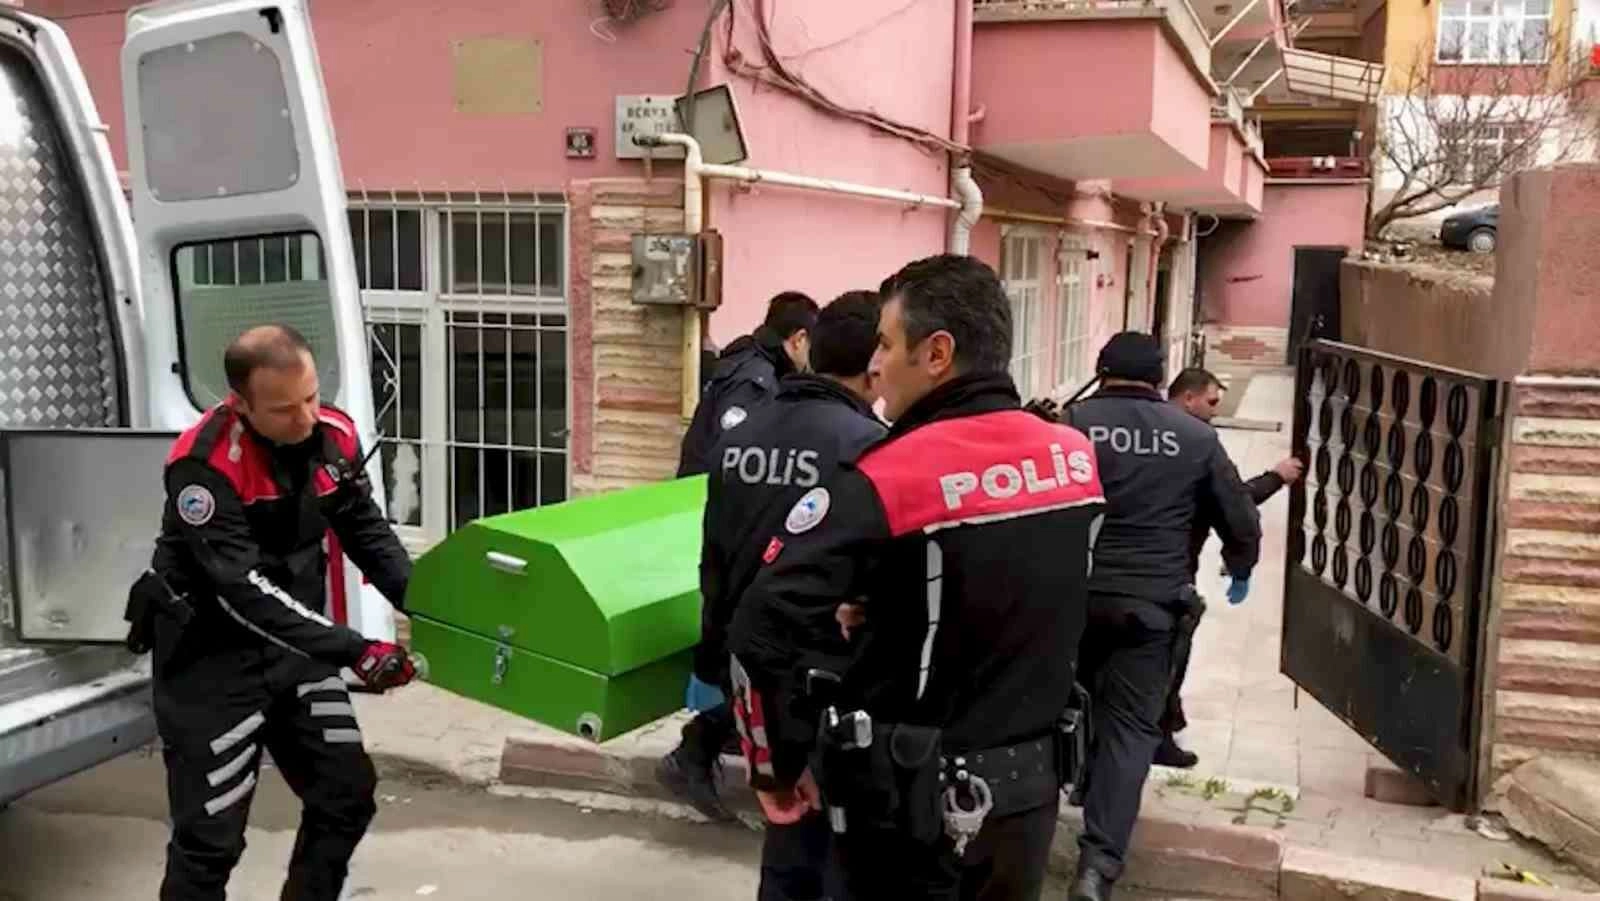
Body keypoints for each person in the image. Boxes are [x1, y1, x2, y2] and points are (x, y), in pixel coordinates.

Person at [727, 255, 1107, 901]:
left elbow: (760, 626)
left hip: (907, 816)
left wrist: (775, 766)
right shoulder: (1073, 456)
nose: (874, 364)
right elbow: (1010, 591)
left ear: (936, 354)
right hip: (1027, 806)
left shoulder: (889, 474)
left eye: (884, 343)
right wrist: (889, 604)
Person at [139, 325, 417, 901]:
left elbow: (365, 531)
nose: (307, 418)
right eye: (285, 409)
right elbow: (243, 590)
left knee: (345, 797)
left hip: (296, 654)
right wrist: (356, 649)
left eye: (311, 396)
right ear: (240, 404)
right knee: (209, 844)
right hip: (211, 667)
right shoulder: (202, 466)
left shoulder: (333, 435)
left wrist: (431, 608)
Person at [687, 290, 886, 899]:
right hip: (831, 676)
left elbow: (713, 562)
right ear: (875, 365)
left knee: (784, 842)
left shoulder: (739, 438)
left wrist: (715, 660)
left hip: (753, 678)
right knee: (834, 852)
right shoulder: (872, 448)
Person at [1059, 334, 1262, 901]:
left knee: (1057, 708)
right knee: (1129, 729)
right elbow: (1239, 518)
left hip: (1070, 600)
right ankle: (1097, 867)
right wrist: (1240, 566)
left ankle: (1056, 805)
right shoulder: (1196, 437)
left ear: (1101, 370)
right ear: (1159, 377)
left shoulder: (1069, 426)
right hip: (1150, 604)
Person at [660, 289, 821, 822]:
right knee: (752, 649)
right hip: (722, 522)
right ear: (798, 339)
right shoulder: (753, 381)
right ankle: (694, 752)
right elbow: (739, 462)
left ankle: (708, 744)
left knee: (752, 653)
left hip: (724, 522)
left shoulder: (754, 367)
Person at [1155, 368, 1304, 769]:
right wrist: (1241, 566)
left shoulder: (1145, 432)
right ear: (1188, 398)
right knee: (1168, 657)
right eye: (1211, 401)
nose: (1215, 410)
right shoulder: (1197, 444)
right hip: (1168, 572)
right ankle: (1158, 737)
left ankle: (1161, 725)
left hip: (1116, 568)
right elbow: (1235, 503)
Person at [676, 291, 820, 477]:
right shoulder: (755, 379)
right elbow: (736, 454)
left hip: (700, 485)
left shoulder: (748, 358)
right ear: (799, 339)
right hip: (706, 489)